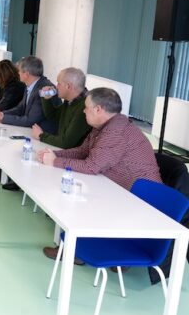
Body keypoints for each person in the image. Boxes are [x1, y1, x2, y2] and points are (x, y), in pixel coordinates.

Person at [38, 88, 162, 261]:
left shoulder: (115, 132)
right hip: (119, 187)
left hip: (138, 198)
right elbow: (83, 152)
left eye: (86, 107)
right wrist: (54, 154)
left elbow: (91, 166)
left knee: (79, 196)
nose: (83, 110)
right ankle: (77, 247)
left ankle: (76, 250)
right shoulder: (104, 126)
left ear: (98, 109)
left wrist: (54, 162)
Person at [31, 67, 91, 150]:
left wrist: (41, 135)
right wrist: (46, 99)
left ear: (68, 86)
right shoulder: (70, 101)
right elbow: (52, 117)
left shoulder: (85, 107)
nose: (56, 87)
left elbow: (65, 143)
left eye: (59, 83)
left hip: (72, 158)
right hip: (63, 151)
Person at [0, 56, 51, 127]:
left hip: (42, 134)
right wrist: (1, 114)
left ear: (26, 74)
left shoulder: (44, 89)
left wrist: (2, 118)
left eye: (19, 71)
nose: (18, 73)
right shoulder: (30, 84)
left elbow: (30, 120)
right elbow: (21, 108)